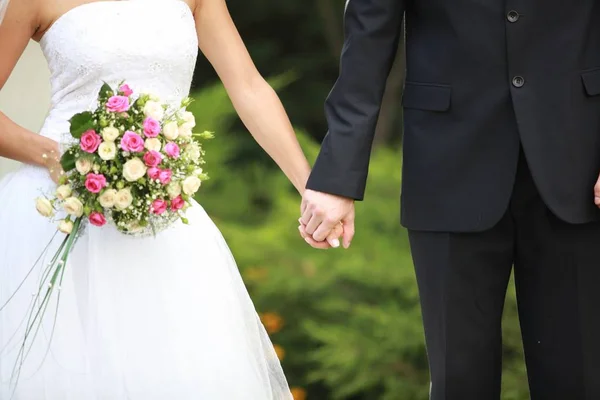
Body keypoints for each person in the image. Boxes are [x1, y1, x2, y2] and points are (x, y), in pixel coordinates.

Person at [0, 0, 341, 398]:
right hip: (57, 214)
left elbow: (248, 86)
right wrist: (58, 156)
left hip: (162, 220)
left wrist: (310, 186)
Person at [300, 1, 600, 399]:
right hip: (448, 162)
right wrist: (338, 175)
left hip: (581, 162)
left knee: (580, 381)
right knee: (459, 383)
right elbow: (368, 36)